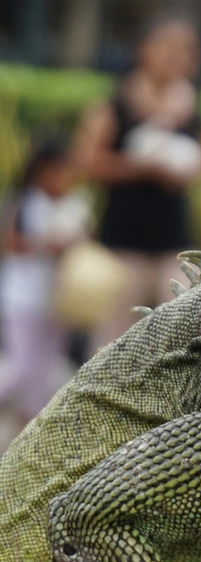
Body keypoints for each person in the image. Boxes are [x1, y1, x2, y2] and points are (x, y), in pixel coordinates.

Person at [74, 16, 201, 356]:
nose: (176, 57)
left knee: (180, 326)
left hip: (171, 240)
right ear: (146, 51)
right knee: (112, 336)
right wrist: (138, 168)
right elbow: (86, 161)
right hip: (123, 239)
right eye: (169, 48)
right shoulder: (117, 102)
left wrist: (181, 170)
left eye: (186, 51)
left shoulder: (191, 107)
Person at [0, 140, 91, 425]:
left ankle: (25, 432)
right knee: (23, 366)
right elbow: (10, 243)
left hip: (59, 300)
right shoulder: (25, 202)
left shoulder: (75, 206)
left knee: (47, 370)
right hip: (24, 299)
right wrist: (46, 246)